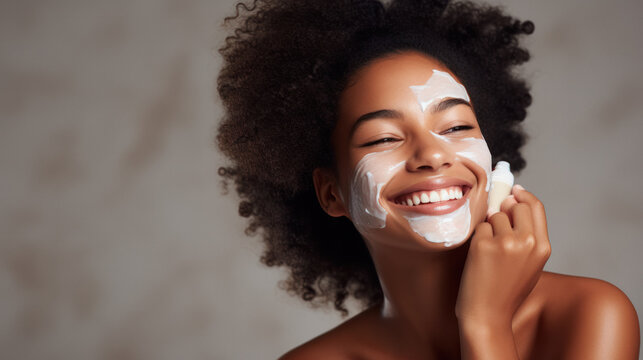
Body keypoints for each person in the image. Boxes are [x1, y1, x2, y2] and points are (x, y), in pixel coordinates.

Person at [216, 0, 640, 358]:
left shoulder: (590, 314)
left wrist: (483, 323)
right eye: (383, 137)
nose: (433, 154)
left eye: (456, 127)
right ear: (332, 193)